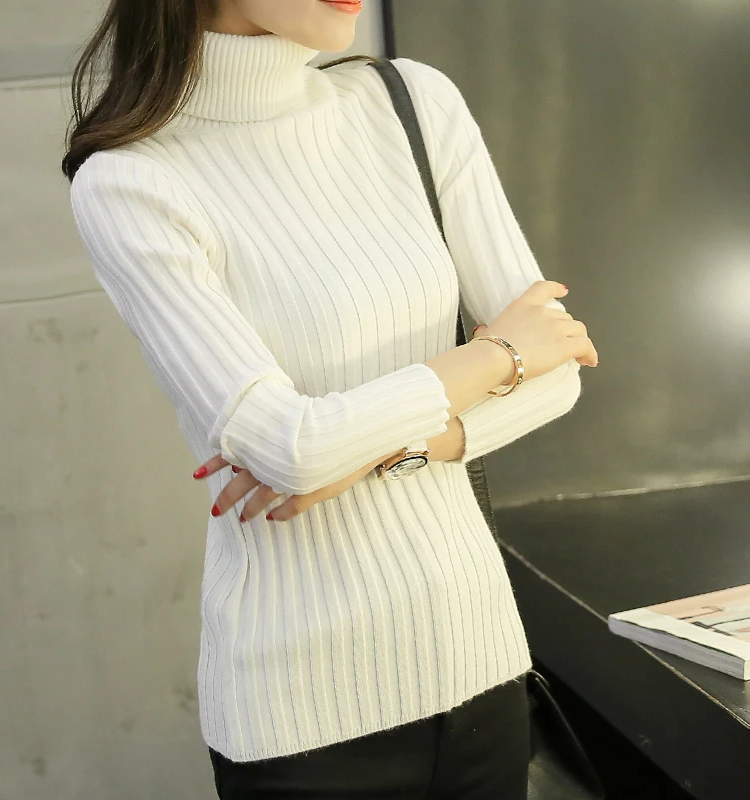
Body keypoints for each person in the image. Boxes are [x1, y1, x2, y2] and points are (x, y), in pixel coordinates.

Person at [62, 1, 599, 797]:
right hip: (305, 717)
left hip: (480, 664)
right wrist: (493, 356)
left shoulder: (412, 105)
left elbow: (558, 368)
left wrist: (366, 452)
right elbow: (289, 447)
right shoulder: (131, 182)